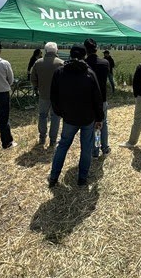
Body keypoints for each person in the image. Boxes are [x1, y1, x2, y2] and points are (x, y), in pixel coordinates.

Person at [48, 45, 104, 187]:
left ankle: (54, 177)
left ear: (70, 55)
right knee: (86, 148)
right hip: (87, 118)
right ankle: (82, 179)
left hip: (69, 117)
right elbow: (97, 98)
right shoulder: (89, 73)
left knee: (62, 145)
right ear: (84, 56)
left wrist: (60, 112)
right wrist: (99, 118)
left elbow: (53, 95)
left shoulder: (60, 72)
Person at [30, 42, 64, 147]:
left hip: (43, 94)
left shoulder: (38, 63)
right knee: (55, 117)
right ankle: (53, 140)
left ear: (45, 51)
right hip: (57, 96)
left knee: (42, 116)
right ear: (56, 51)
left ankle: (42, 138)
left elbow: (33, 79)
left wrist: (37, 87)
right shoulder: (61, 63)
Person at [84, 38, 111, 156]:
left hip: (88, 101)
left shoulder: (84, 64)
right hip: (102, 99)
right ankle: (104, 147)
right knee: (102, 125)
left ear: (86, 50)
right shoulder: (105, 63)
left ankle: (95, 150)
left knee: (92, 127)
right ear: (97, 48)